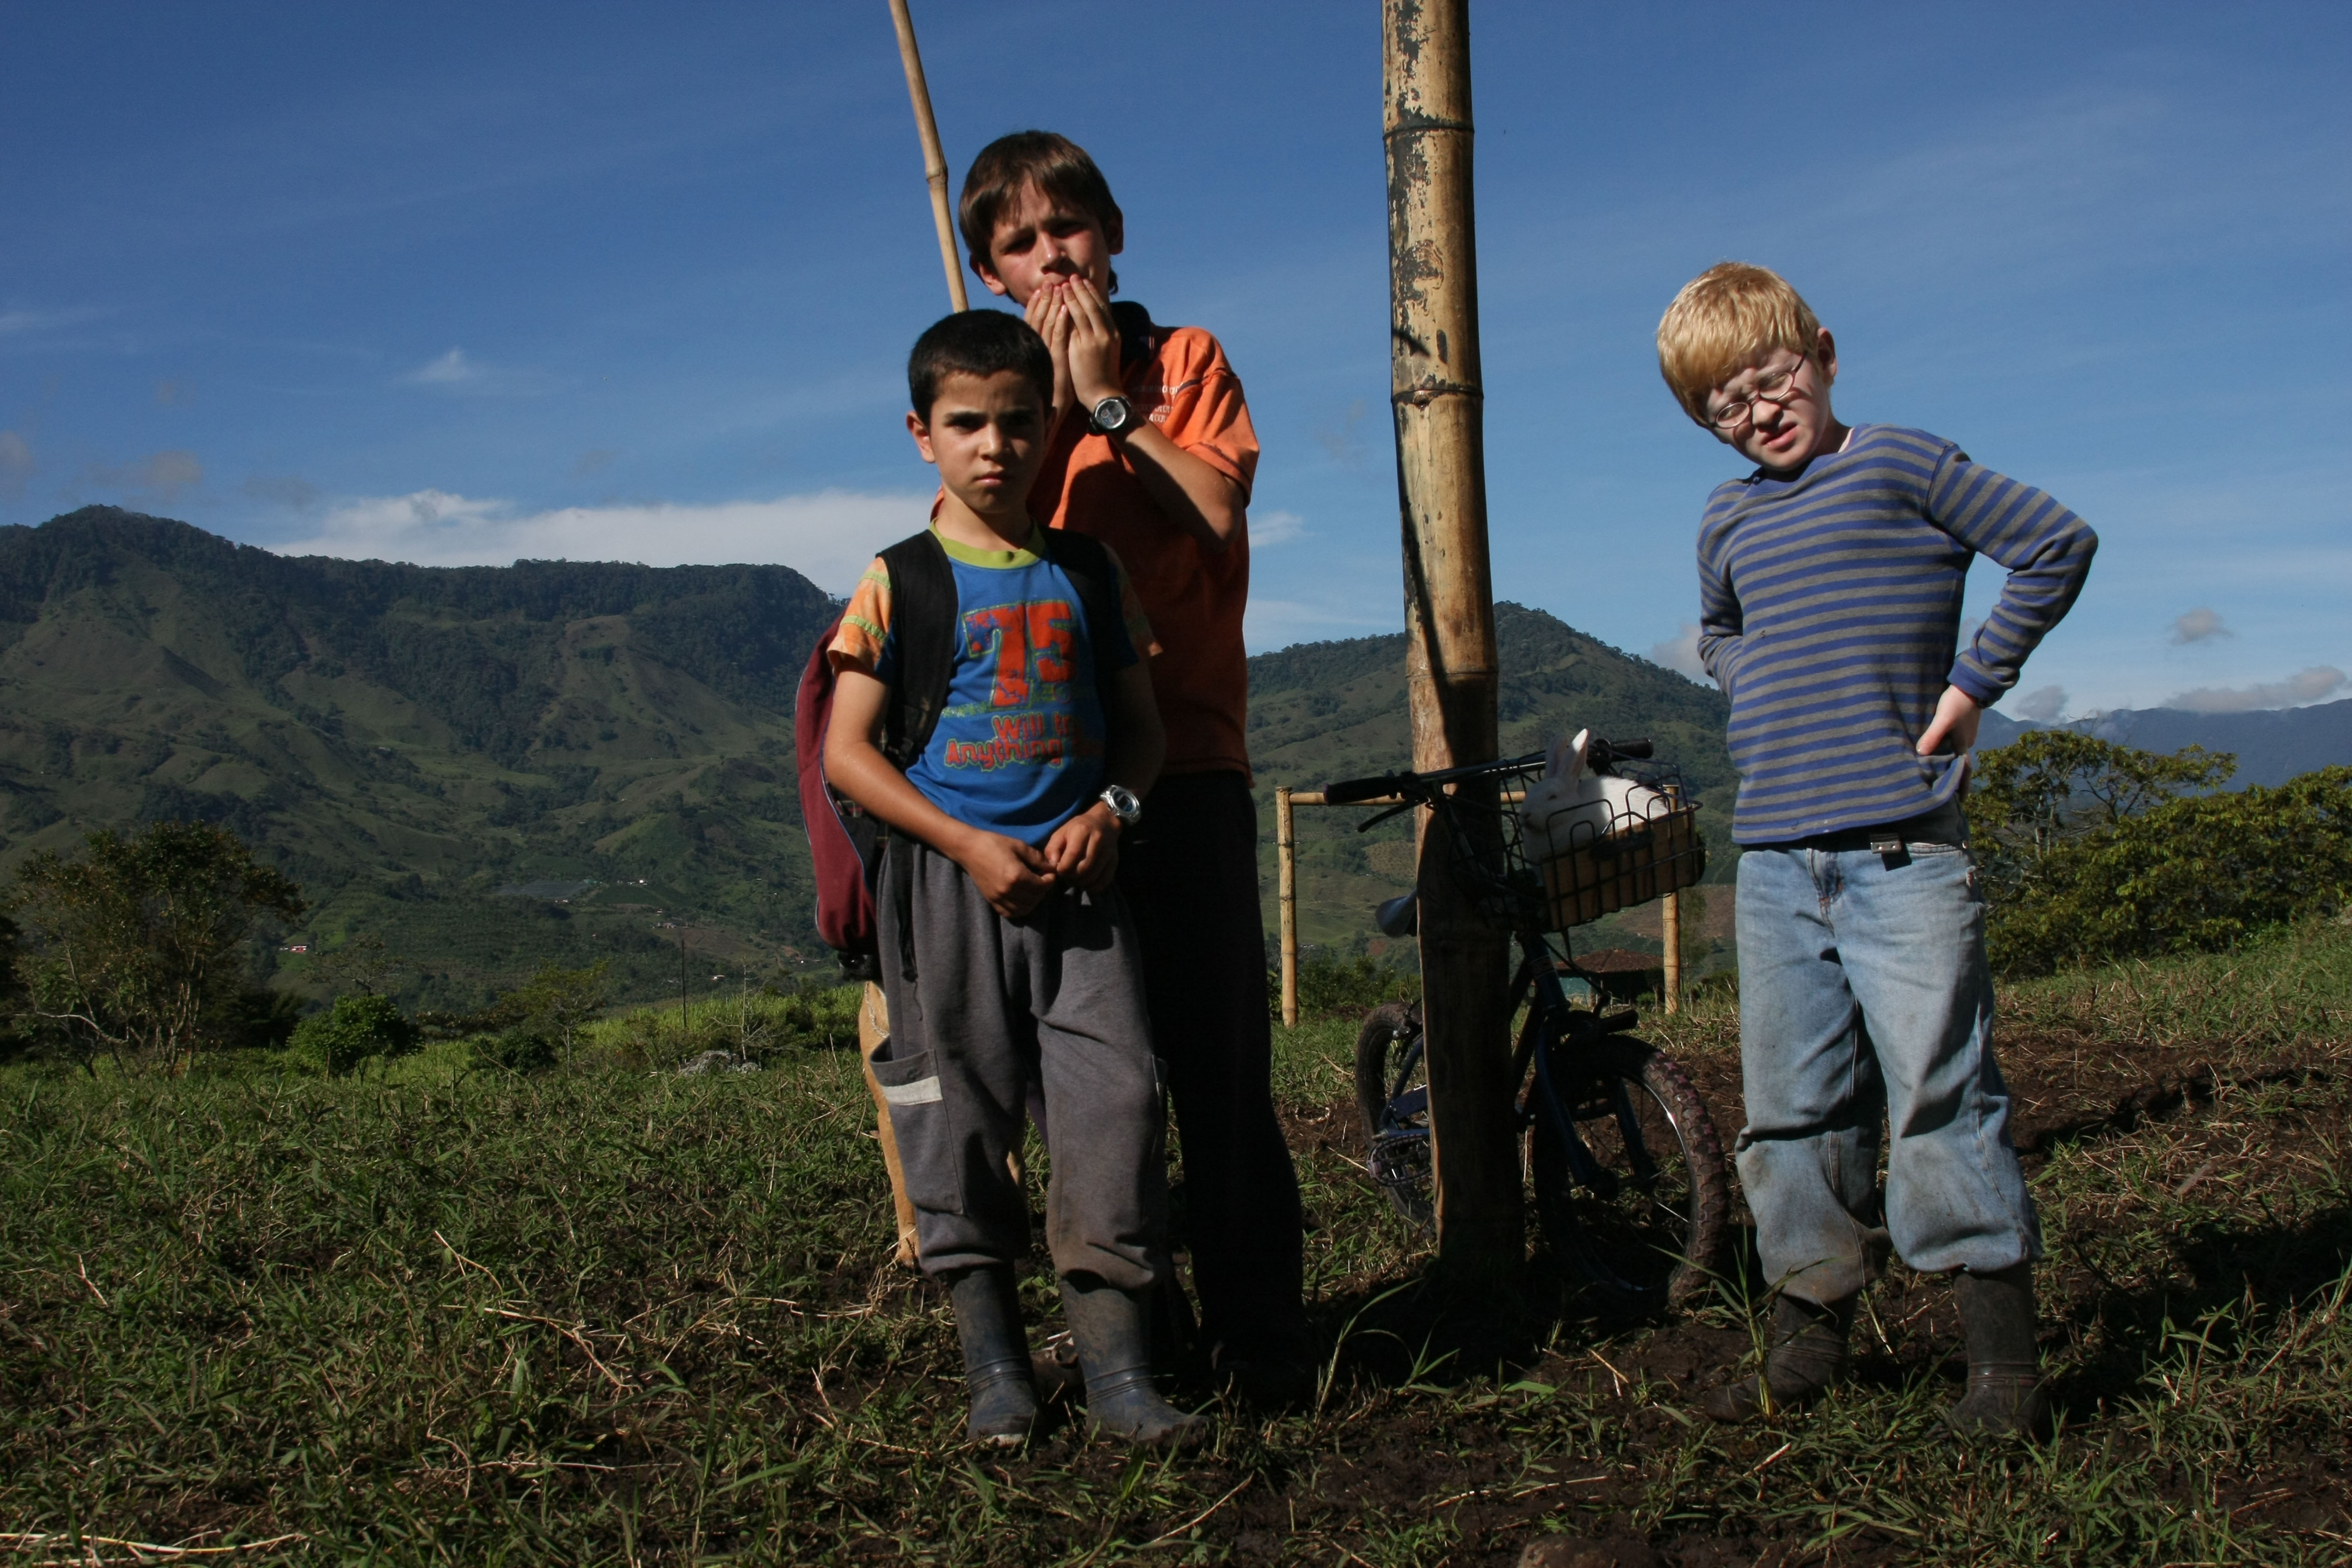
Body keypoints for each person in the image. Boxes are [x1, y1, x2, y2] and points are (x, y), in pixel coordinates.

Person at [1655, 263, 2096, 1438]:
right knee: (1789, 1108)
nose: (1758, 411)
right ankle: (1811, 1326)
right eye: (1725, 406)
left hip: (1904, 853)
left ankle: (2003, 1370)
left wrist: (1970, 686)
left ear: (1825, 354)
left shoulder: (1900, 464)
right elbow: (1719, 628)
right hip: (1772, 863)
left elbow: (2054, 542)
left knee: (1940, 1096)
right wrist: (1750, 681)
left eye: (1772, 378)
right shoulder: (1727, 515)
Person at [955, 131, 1312, 1402]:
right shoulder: (996, 393)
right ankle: (1135, 1349)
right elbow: (983, 532)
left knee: (1219, 1069)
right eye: (1022, 244)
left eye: (1070, 230)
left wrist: (1111, 404)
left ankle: (1264, 1340)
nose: (1054, 258)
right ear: (993, 274)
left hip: (1193, 757)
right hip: (1054, 779)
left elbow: (1215, 513)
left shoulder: (1185, 363)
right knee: (1095, 1086)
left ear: (1113, 234)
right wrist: (1043, 406)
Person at [824, 308, 1198, 1448]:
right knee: (958, 1123)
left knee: (1116, 1108)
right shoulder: (899, 582)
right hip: (949, 894)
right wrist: (966, 843)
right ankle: (997, 1373)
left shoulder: (1090, 573)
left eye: (1019, 422)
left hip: (1083, 895)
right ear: (922, 433)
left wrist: (1113, 810)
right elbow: (848, 752)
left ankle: (1121, 1379)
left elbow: (1142, 730)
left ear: (1052, 428)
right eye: (967, 423)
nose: (996, 446)